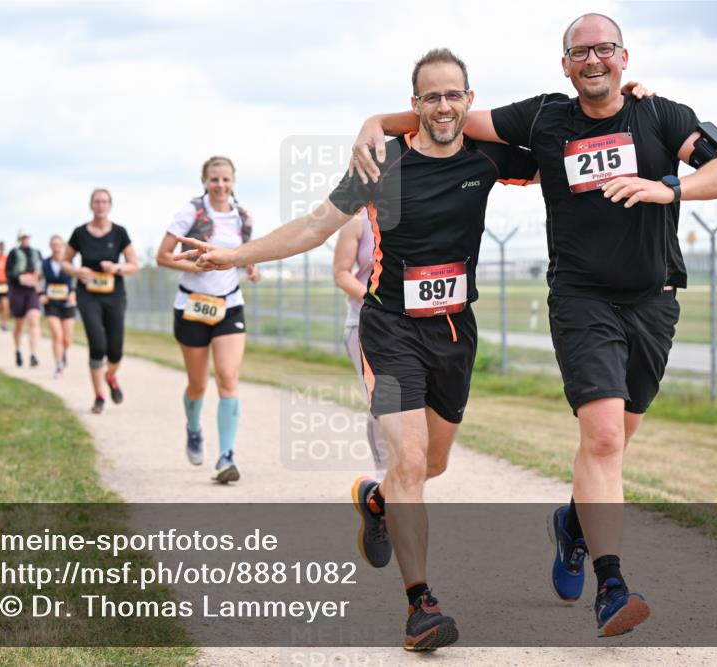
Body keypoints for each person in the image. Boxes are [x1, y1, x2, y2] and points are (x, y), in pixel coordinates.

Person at [350, 13, 717, 638]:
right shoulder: (544, 118)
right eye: (580, 51)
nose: (593, 60)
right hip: (581, 299)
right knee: (605, 439)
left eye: (605, 49)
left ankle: (573, 524)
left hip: (653, 299)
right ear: (564, 64)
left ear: (624, 56)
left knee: (617, 437)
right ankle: (611, 588)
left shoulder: (662, 115)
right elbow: (445, 115)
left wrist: (666, 188)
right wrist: (375, 122)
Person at [176, 49, 537, 651]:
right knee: (412, 461)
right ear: (414, 104)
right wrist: (233, 256)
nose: (444, 107)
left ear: (468, 101)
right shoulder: (382, 162)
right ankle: (421, 605)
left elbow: (570, 156)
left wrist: (631, 110)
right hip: (389, 329)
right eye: (431, 96)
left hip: (453, 332)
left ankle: (375, 498)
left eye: (455, 95)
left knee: (431, 465)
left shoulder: (488, 156)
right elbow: (314, 226)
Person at [157, 156, 261, 484]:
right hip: (192, 305)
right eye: (214, 179)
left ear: (234, 181)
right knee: (198, 383)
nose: (220, 185)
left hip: (229, 305)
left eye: (226, 180)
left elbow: (244, 255)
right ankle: (193, 429)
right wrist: (195, 267)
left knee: (228, 378)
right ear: (205, 181)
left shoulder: (243, 216)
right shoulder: (191, 212)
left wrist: (251, 268)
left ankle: (226, 457)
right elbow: (162, 256)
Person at [61, 188, 140, 414]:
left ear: (110, 205)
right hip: (88, 295)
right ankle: (99, 395)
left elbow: (134, 265)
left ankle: (110, 376)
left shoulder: (119, 233)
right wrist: (77, 272)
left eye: (105, 202)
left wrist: (116, 267)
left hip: (114, 295)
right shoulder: (79, 233)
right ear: (91, 205)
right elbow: (65, 261)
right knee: (97, 345)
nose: (100, 206)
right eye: (97, 202)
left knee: (115, 350)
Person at [332, 209, 390, 482]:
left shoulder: (414, 209)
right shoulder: (356, 222)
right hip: (365, 322)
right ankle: (383, 474)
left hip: (410, 324)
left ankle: (407, 470)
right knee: (381, 398)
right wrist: (378, 302)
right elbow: (342, 273)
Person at [6, 231, 44, 368]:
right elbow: (8, 273)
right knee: (19, 324)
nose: (25, 239)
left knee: (34, 320)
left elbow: (42, 271)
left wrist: (37, 280)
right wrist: (19, 278)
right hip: (18, 290)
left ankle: (33, 354)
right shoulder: (13, 253)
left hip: (32, 290)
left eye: (27, 237)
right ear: (19, 239)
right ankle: (18, 350)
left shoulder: (37, 253)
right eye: (23, 237)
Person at [41, 235, 77, 378]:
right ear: (50, 246)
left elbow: (77, 279)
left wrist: (73, 293)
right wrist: (40, 293)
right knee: (57, 335)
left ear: (63, 246)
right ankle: (58, 365)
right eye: (53, 244)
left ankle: (63, 354)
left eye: (59, 244)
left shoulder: (71, 262)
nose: (56, 247)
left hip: (67, 303)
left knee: (67, 339)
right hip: (51, 303)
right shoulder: (44, 263)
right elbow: (38, 280)